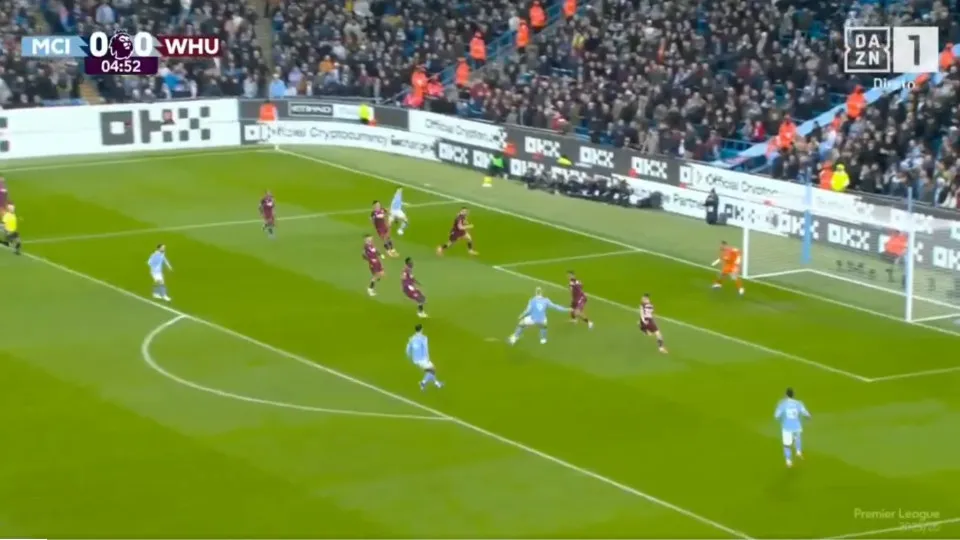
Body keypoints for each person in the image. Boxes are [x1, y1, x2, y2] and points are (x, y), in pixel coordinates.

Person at [774, 388, 811, 468]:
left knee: (786, 445)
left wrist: (780, 419)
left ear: (785, 395)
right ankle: (798, 451)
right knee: (797, 437)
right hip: (797, 426)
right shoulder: (798, 403)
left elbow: (776, 416)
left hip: (786, 427)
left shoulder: (782, 404)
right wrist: (808, 417)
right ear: (793, 395)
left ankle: (788, 461)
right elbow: (805, 412)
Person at [406, 324, 442, 391]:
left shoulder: (411, 338)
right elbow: (426, 348)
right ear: (421, 329)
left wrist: (409, 356)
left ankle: (437, 383)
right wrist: (428, 358)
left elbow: (408, 348)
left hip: (415, 360)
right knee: (432, 370)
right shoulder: (424, 338)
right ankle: (423, 383)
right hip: (423, 359)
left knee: (430, 371)